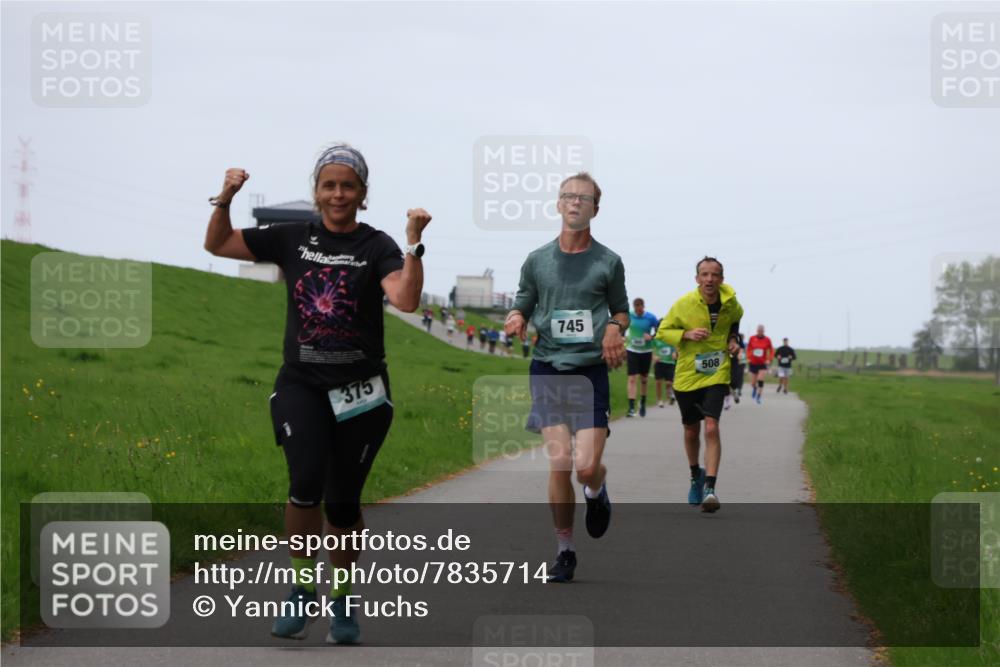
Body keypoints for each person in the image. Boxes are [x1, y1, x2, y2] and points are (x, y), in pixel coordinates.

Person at [203, 145, 431, 644]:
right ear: (317, 191)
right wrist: (225, 197)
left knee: (343, 504)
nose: (338, 194)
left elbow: (407, 299)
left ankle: (343, 599)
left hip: (362, 394)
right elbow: (218, 246)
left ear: (363, 194)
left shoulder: (378, 246)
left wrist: (413, 244)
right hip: (302, 384)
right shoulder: (292, 238)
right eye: (329, 185)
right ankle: (304, 587)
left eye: (348, 185)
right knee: (305, 482)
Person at [504, 171, 628, 583]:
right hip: (547, 368)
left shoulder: (608, 262)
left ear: (596, 208)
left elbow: (621, 310)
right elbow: (522, 301)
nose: (575, 202)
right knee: (560, 461)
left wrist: (614, 326)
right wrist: (517, 316)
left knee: (587, 466)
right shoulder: (537, 260)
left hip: (590, 372)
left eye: (584, 198)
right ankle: (565, 550)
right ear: (558, 205)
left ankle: (596, 491)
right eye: (568, 196)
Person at [656, 257, 742, 514]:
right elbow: (663, 331)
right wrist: (685, 334)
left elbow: (736, 319)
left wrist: (733, 338)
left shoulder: (731, 302)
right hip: (687, 375)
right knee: (692, 431)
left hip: (717, 372)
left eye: (714, 275)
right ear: (697, 279)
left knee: (712, 426)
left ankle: (710, 488)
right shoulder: (684, 304)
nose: (709, 279)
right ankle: (695, 474)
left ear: (721, 279)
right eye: (704, 274)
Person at [624, 297, 659, 417]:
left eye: (640, 309)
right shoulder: (629, 315)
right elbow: (622, 325)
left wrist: (652, 336)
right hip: (632, 350)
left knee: (644, 379)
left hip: (646, 351)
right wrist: (622, 336)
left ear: (643, 307)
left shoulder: (651, 317)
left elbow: (660, 330)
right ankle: (631, 407)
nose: (638, 312)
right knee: (632, 378)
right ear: (634, 308)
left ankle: (643, 403)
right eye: (636, 309)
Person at [746, 324, 774, 404]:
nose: (760, 332)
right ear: (757, 331)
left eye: (761, 331)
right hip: (753, 363)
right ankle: (754, 388)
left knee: (760, 380)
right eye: (759, 330)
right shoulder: (752, 338)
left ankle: (758, 396)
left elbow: (771, 350)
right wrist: (748, 357)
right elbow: (748, 349)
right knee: (753, 383)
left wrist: (769, 359)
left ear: (764, 331)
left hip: (762, 363)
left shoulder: (767, 339)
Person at [651, 336, 678, 407]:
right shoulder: (656, 339)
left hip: (670, 363)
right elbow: (651, 349)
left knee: (669, 383)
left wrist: (675, 352)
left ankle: (670, 395)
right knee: (658, 382)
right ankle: (659, 400)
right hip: (659, 362)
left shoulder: (671, 337)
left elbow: (677, 346)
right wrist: (654, 357)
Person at [724, 333, 746, 410]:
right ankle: (727, 402)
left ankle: (734, 393)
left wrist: (740, 354)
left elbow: (742, 349)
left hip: (736, 363)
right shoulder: (724, 340)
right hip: (725, 362)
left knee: (733, 382)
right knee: (726, 383)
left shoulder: (738, 340)